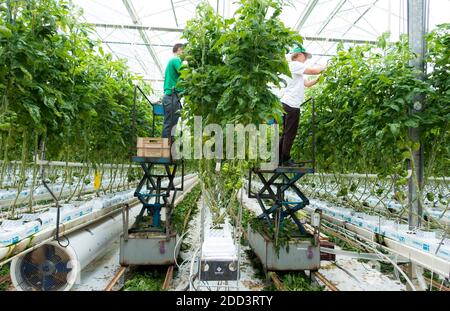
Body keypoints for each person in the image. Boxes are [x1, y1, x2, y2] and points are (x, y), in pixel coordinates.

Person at [279, 45, 325, 167]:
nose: (306, 59)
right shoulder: (295, 64)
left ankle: (280, 159)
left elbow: (307, 84)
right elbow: (314, 71)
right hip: (292, 104)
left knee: (286, 132)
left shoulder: (294, 69)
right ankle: (285, 159)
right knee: (290, 133)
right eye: (305, 56)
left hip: (286, 103)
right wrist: (326, 67)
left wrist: (319, 79)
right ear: (298, 55)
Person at [162, 43, 184, 141]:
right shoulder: (176, 60)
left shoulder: (172, 61)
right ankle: (166, 148)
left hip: (172, 95)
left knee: (171, 122)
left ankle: (168, 147)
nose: (185, 54)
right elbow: (183, 73)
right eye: (184, 51)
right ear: (179, 49)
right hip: (171, 96)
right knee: (170, 123)